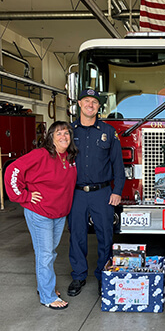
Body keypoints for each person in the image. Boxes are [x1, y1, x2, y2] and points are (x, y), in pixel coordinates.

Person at [5, 121, 78, 310]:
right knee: (45, 255)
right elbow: (12, 170)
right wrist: (23, 196)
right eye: (59, 133)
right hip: (40, 213)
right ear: (51, 137)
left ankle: (44, 286)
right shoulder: (40, 154)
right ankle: (47, 296)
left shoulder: (69, 157)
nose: (64, 136)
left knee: (50, 253)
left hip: (59, 214)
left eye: (67, 133)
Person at [67, 89, 125, 297]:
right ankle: (79, 276)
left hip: (103, 193)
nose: (90, 105)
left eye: (94, 102)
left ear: (99, 107)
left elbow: (118, 165)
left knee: (105, 236)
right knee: (77, 237)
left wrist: (117, 190)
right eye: (86, 101)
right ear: (79, 104)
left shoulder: (109, 132)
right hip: (76, 194)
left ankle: (104, 276)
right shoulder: (69, 131)